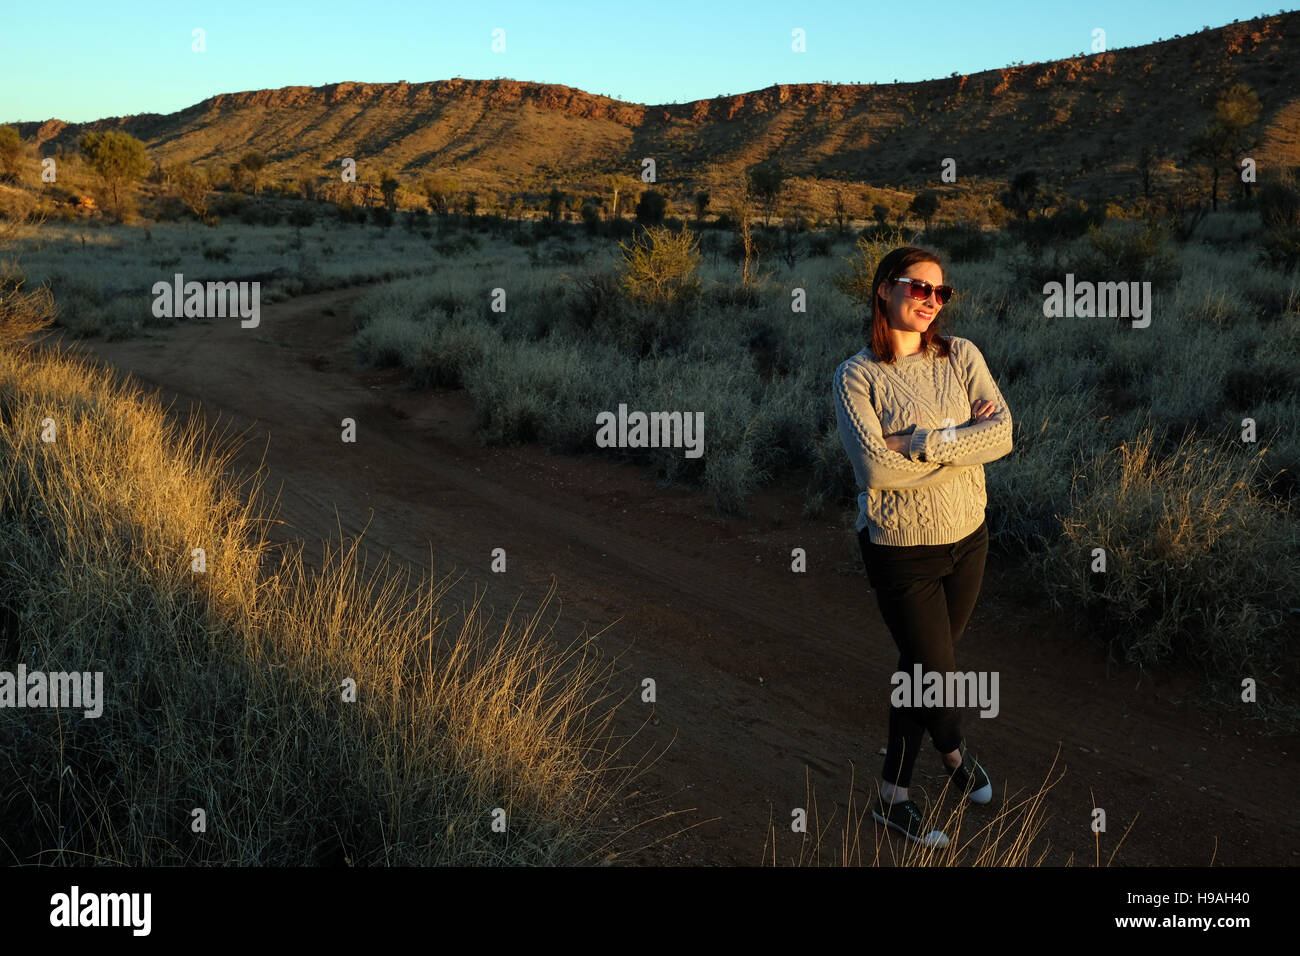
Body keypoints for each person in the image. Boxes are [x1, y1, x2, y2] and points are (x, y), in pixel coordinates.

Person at [832, 245, 1014, 847]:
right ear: (885, 289)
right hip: (902, 549)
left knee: (922, 669)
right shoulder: (856, 375)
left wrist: (918, 441)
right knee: (935, 671)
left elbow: (1005, 435)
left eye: (942, 293)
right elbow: (876, 474)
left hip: (970, 538)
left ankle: (893, 797)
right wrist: (965, 438)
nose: (932, 302)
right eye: (919, 288)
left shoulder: (962, 355)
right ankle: (956, 752)